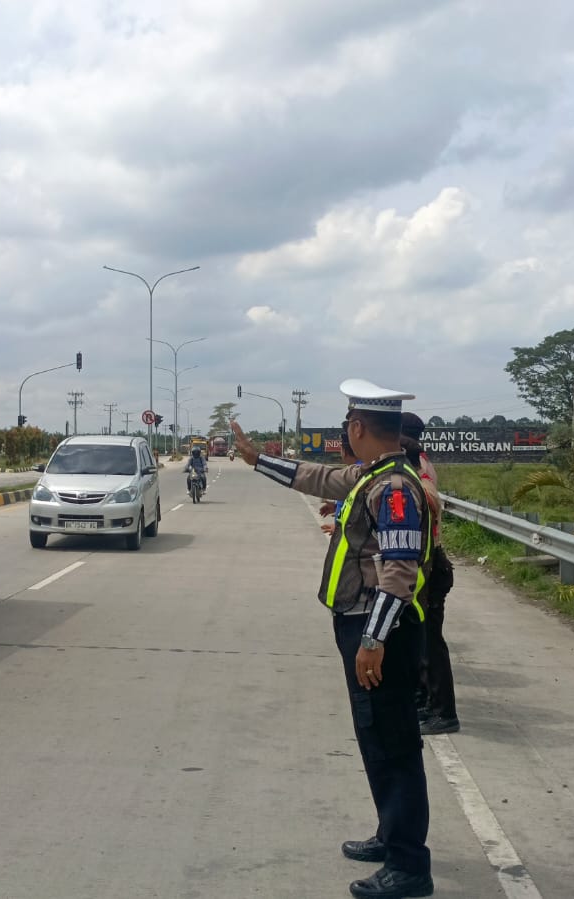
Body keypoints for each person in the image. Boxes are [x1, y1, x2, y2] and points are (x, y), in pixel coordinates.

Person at [232, 379, 434, 899]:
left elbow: (399, 571)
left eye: (348, 423)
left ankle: (409, 865)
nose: (347, 430)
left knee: (394, 744)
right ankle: (391, 834)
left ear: (358, 427)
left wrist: (373, 639)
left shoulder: (394, 488)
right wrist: (257, 460)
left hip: (381, 630)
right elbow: (316, 476)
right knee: (375, 737)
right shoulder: (374, 474)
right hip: (362, 624)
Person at [401, 413, 458, 736]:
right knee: (422, 641)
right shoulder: (415, 464)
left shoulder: (418, 467)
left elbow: (432, 501)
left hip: (431, 565)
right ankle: (425, 701)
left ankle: (443, 712)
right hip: (425, 564)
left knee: (432, 644)